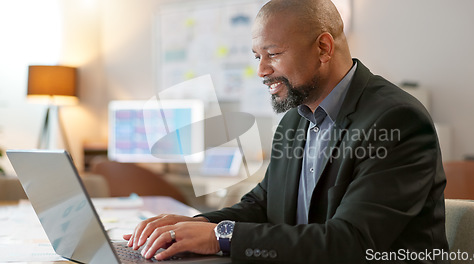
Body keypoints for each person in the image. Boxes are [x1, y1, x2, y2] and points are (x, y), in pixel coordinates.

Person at [124, 0, 450, 263]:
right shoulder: (295, 120)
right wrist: (198, 225)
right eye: (257, 57)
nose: (262, 70)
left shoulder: (396, 120)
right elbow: (264, 203)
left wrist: (221, 238)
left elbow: (351, 242)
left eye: (273, 54)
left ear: (323, 48)